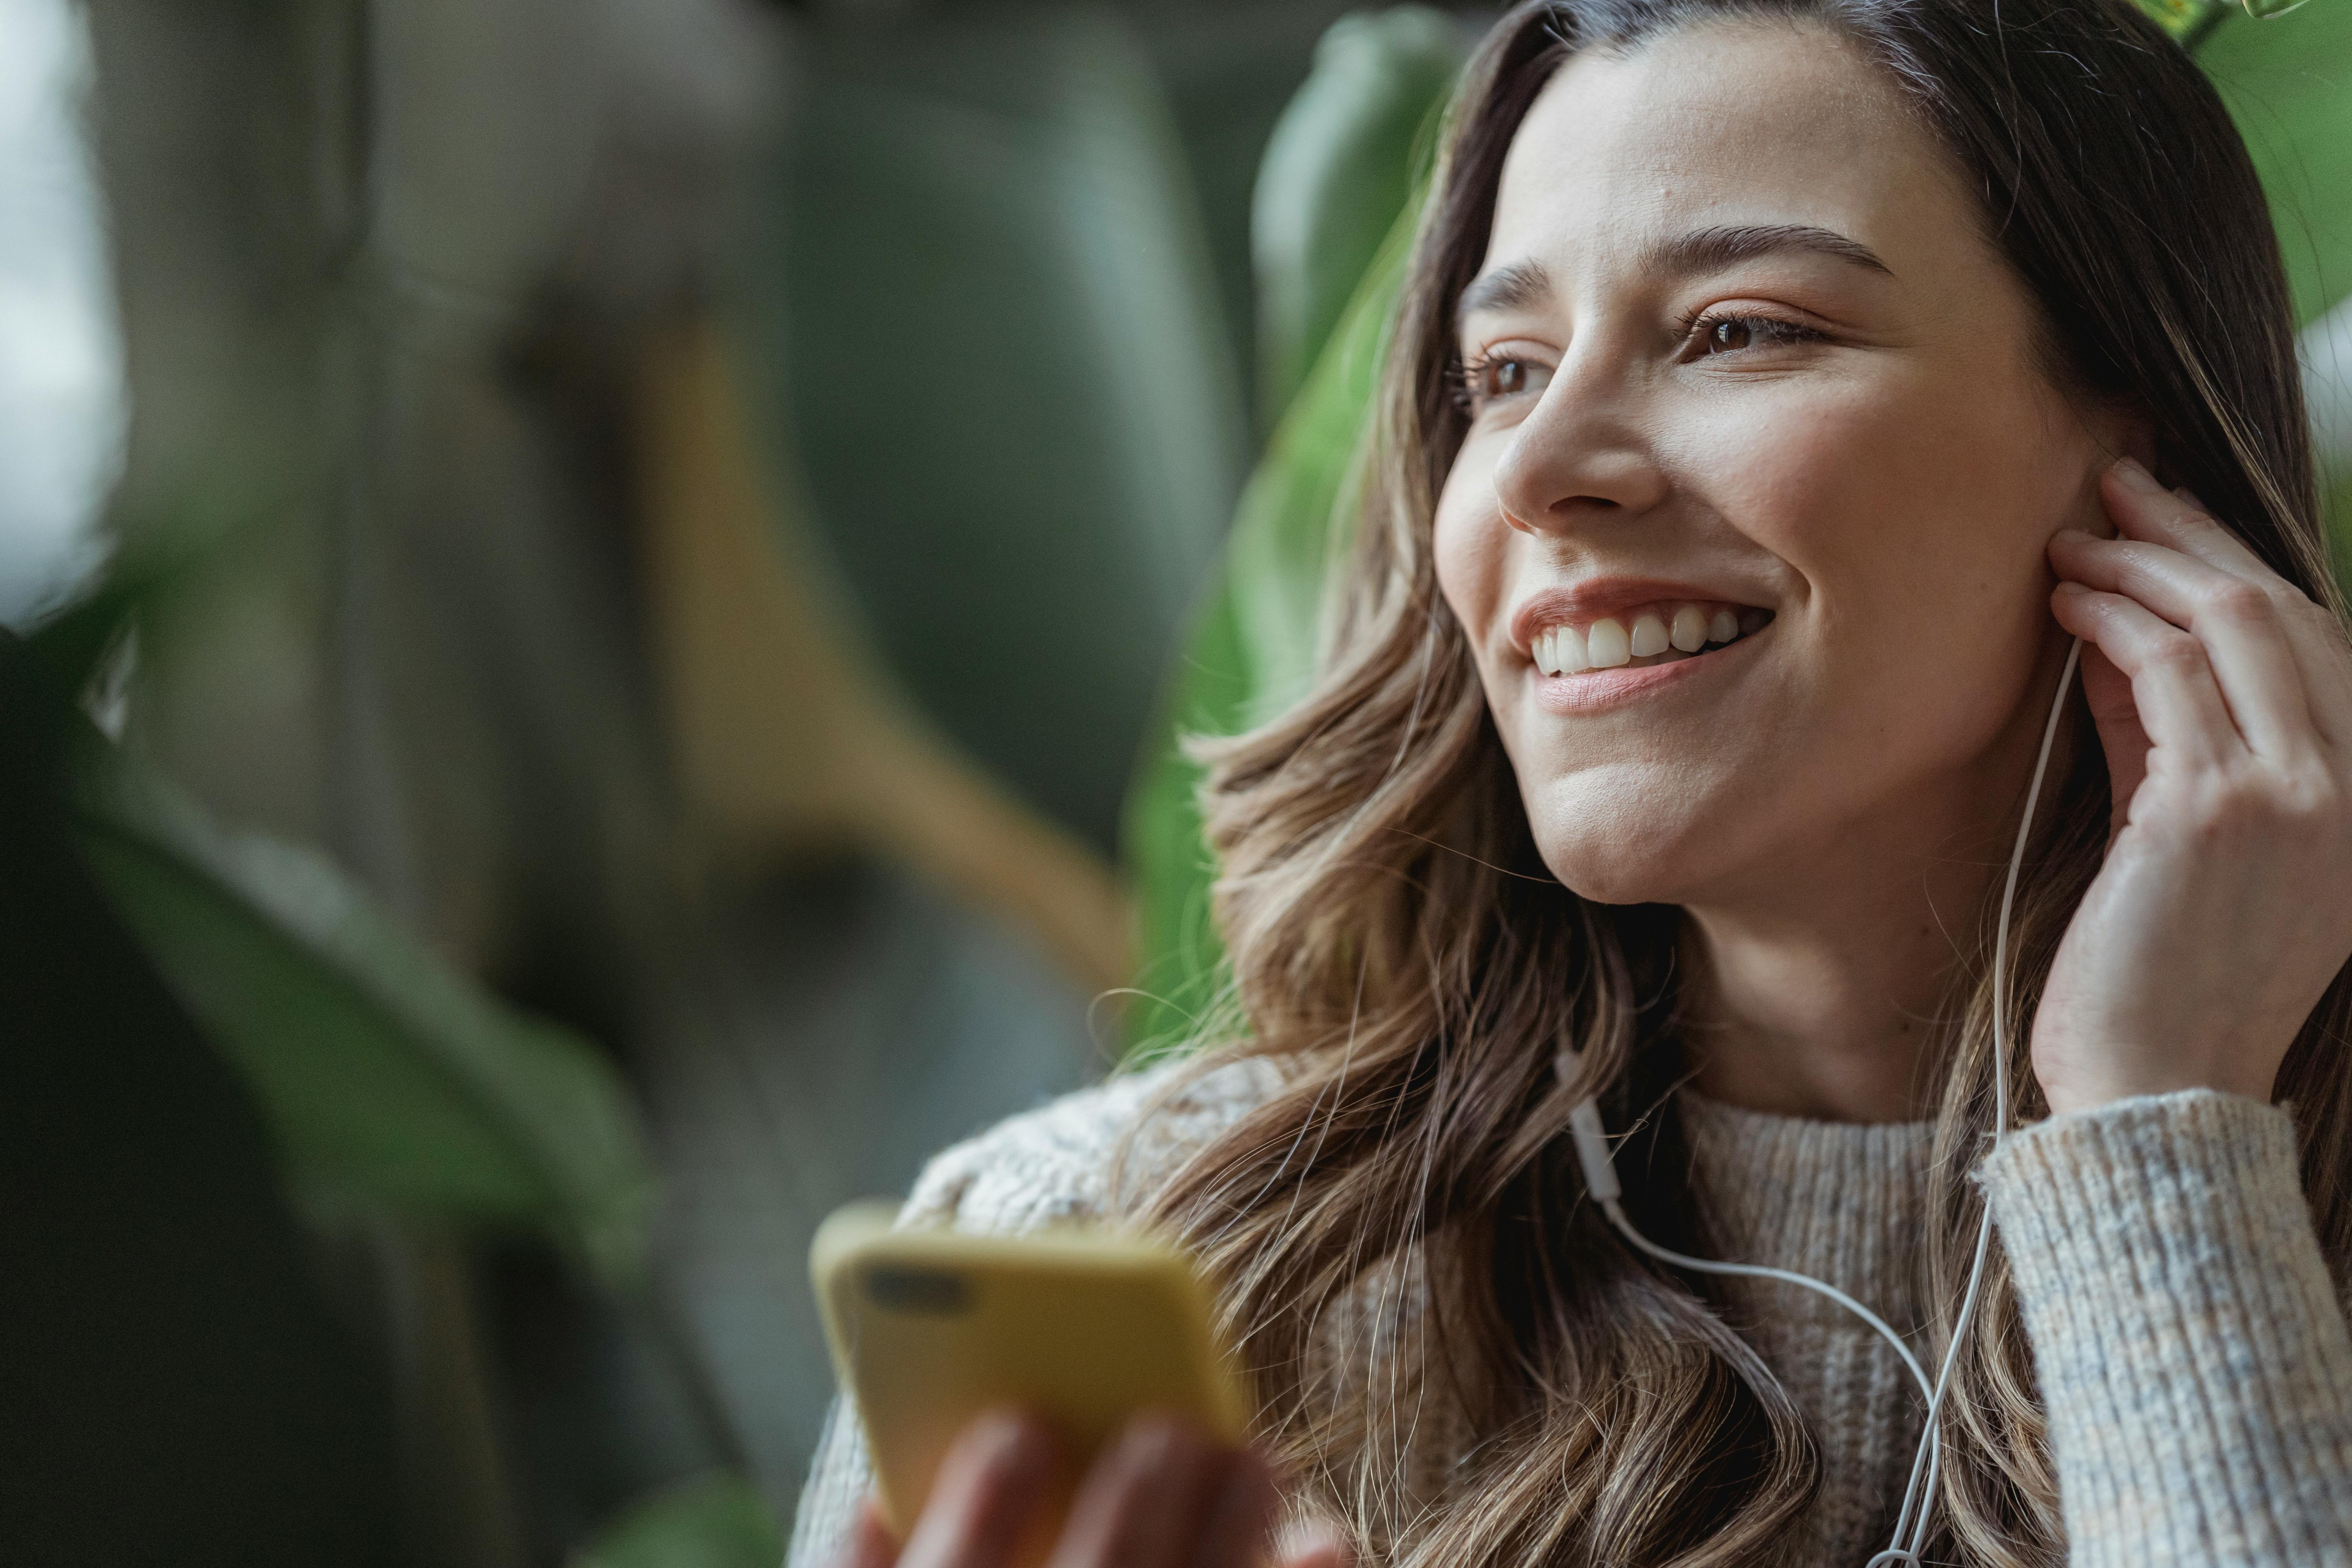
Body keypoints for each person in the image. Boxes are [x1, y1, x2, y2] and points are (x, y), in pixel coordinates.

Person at [788, 0, 2352, 1562]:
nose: (1540, 468)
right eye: (1507, 368)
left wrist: (2168, 1134)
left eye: (1743, 327)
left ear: (2132, 460)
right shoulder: (1125, 1261)